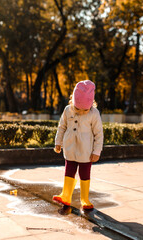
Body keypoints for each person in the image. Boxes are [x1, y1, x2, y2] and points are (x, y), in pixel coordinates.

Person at [53, 80, 103, 210]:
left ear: (91, 103)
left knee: (84, 174)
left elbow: (99, 134)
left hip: (86, 151)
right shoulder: (67, 110)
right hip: (70, 148)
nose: (80, 111)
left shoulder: (94, 113)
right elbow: (62, 127)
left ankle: (85, 199)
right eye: (77, 108)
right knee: (69, 171)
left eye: (84, 109)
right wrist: (58, 142)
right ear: (73, 101)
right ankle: (66, 196)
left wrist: (96, 151)